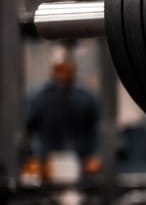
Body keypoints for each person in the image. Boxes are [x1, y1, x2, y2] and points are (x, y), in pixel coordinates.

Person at [25, 46, 101, 177]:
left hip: (81, 166)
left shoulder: (86, 98)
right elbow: (27, 130)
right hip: (47, 165)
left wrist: (96, 156)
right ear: (53, 70)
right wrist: (31, 158)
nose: (63, 73)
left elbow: (96, 130)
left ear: (73, 69)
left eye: (67, 69)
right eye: (59, 69)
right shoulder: (39, 98)